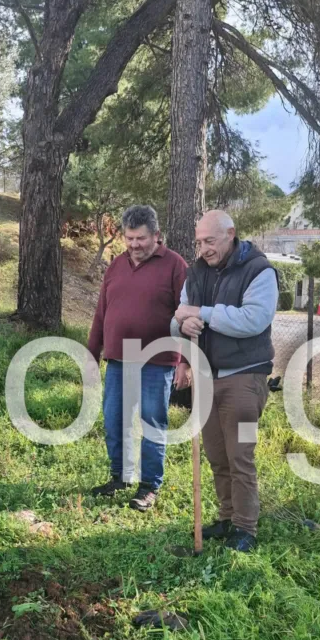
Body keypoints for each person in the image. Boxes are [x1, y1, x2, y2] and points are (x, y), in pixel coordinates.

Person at [172, 210, 278, 552]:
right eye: (199, 242)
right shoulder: (197, 272)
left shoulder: (259, 271)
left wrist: (199, 315)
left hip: (246, 382)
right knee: (217, 454)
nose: (203, 249)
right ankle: (227, 517)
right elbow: (178, 317)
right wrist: (183, 326)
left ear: (230, 233)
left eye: (210, 241)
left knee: (241, 454)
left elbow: (253, 320)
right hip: (206, 380)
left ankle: (246, 528)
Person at [87, 204, 190, 511]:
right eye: (129, 238)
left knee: (152, 423)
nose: (134, 245)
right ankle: (120, 476)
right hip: (119, 359)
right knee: (115, 420)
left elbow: (186, 316)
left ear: (156, 236)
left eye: (140, 239)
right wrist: (91, 353)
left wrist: (185, 361)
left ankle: (149, 486)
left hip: (158, 361)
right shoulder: (116, 265)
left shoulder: (175, 265)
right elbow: (101, 313)